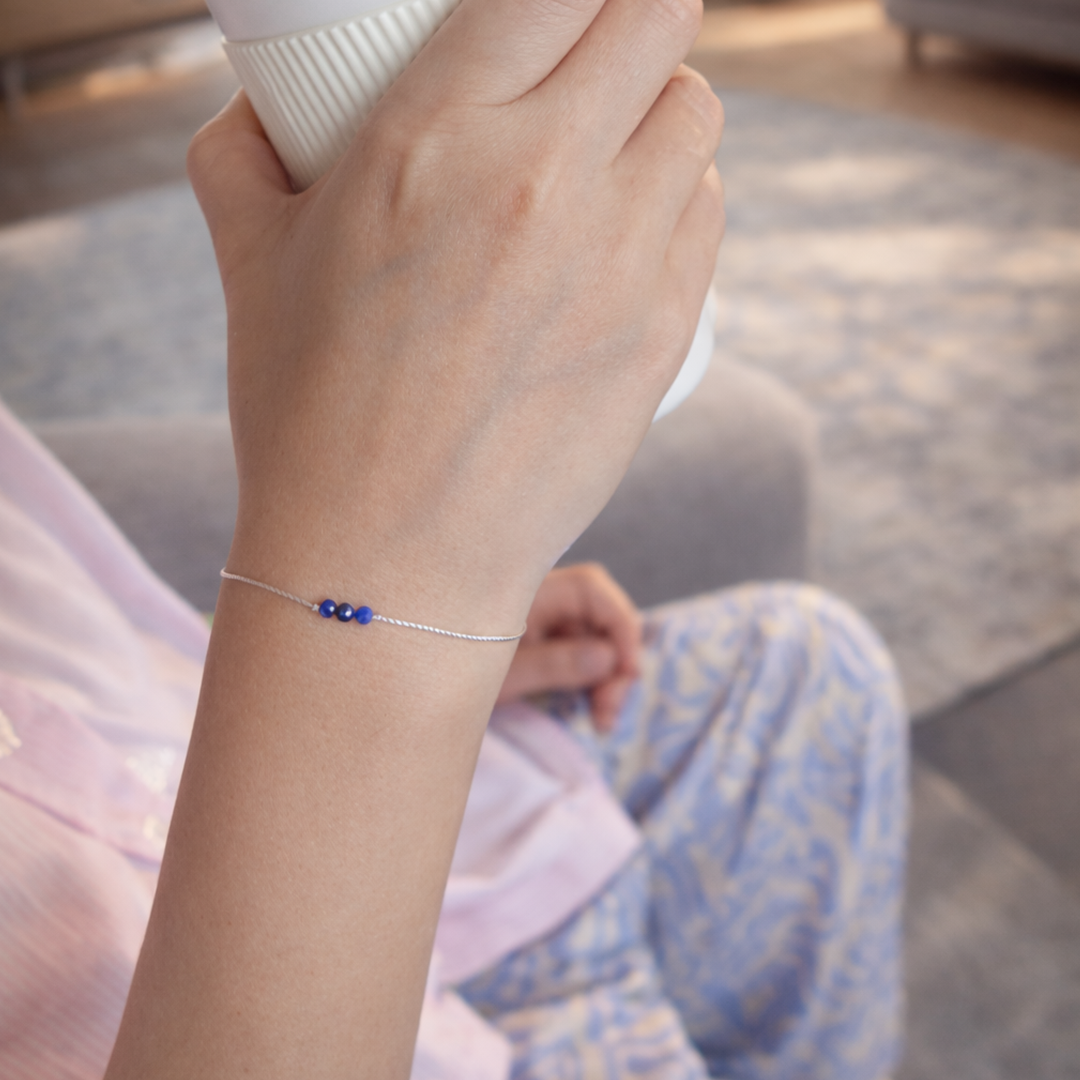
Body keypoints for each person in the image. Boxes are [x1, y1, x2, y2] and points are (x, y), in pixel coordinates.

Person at [0, 0, 908, 1075]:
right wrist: (389, 603)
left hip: (360, 794)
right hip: (306, 999)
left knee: (806, 668)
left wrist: (359, 631)